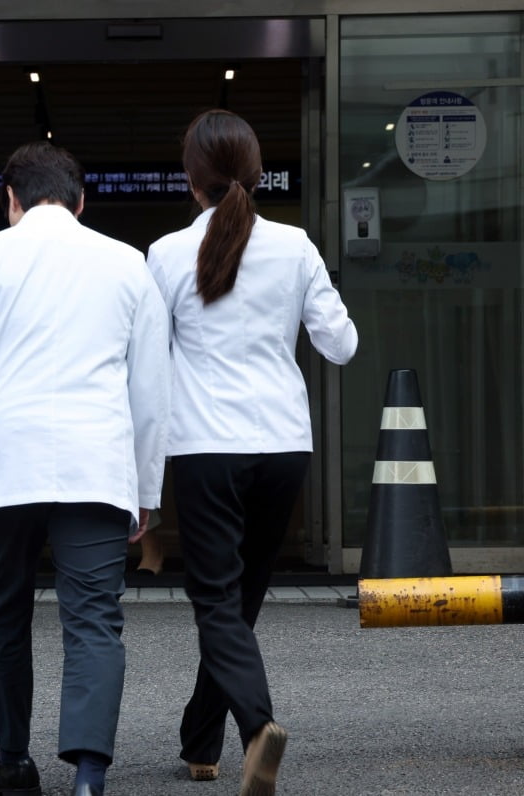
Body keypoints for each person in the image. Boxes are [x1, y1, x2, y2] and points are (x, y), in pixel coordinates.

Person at [0, 142, 170, 796]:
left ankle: (12, 759)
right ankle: (87, 775)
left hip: (4, 462)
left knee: (2, 609)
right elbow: (151, 388)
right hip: (97, 461)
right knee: (94, 619)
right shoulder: (127, 264)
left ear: (10, 201)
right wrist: (146, 486)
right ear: (82, 203)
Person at [146, 109, 358, 795]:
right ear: (256, 170)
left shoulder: (166, 254)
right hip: (283, 444)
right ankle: (200, 743)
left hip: (206, 446)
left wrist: (140, 474)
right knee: (239, 604)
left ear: (191, 176)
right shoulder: (296, 247)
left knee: (216, 601)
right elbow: (341, 345)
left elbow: (148, 368)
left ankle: (257, 727)